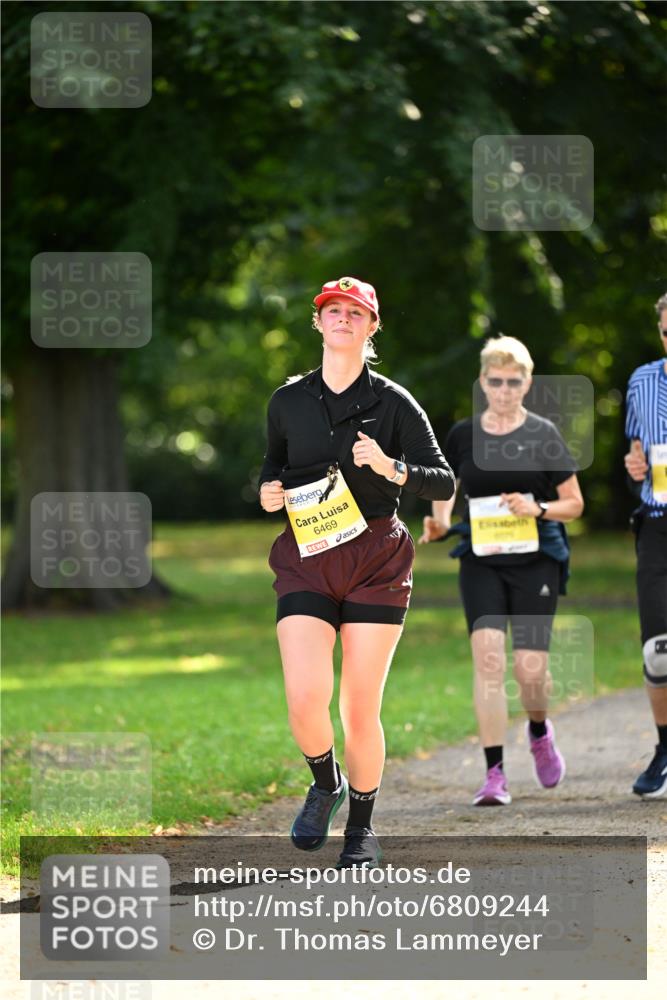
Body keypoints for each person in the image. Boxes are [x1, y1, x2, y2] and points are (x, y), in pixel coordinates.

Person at [259, 277, 455, 866]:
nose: (343, 319)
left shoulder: (394, 402)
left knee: (358, 706)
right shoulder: (287, 401)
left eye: (355, 313)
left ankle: (362, 828)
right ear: (318, 323)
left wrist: (393, 468)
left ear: (372, 328)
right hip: (308, 553)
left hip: (375, 558)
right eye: (333, 311)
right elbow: (271, 466)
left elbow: (444, 480)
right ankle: (326, 783)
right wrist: (265, 491)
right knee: (303, 697)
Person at [420, 336, 584, 806]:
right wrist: (441, 520)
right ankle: (494, 775)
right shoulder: (463, 434)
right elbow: (446, 484)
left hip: (537, 560)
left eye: (514, 382)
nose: (505, 390)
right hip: (481, 560)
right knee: (488, 659)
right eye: (496, 381)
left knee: (530, 669)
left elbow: (574, 504)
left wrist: (537, 506)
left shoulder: (543, 434)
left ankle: (538, 730)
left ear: (527, 383)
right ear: (482, 382)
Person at [624, 292, 667, 798]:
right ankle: (663, 747)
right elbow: (635, 451)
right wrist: (633, 466)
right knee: (658, 652)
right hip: (656, 522)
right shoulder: (642, 380)